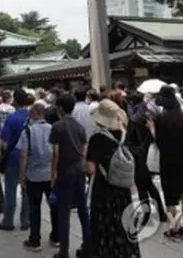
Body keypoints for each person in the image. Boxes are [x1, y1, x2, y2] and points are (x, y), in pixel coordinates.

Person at [86, 99, 139, 258]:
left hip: (104, 189)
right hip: (123, 189)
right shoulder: (124, 133)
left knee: (104, 225)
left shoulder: (97, 139)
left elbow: (91, 168)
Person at [49, 93, 91, 258]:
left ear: (60, 108)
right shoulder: (79, 127)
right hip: (79, 170)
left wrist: (53, 176)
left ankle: (64, 250)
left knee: (63, 212)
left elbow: (55, 154)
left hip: (64, 172)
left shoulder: (57, 127)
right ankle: (88, 245)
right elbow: (84, 150)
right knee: (82, 209)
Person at [150, 86, 183, 239]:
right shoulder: (181, 116)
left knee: (169, 195)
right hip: (181, 158)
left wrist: (152, 129)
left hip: (167, 159)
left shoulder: (161, 118)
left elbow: (159, 141)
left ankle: (173, 227)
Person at [18, 103, 58, 252]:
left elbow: (23, 155)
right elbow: (56, 152)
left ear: (35, 113)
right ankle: (56, 236)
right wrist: (55, 172)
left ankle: (35, 240)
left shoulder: (27, 131)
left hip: (33, 174)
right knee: (54, 205)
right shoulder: (52, 129)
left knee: (34, 208)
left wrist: (22, 176)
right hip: (49, 173)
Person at [0, 89, 30, 231]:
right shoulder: (31, 117)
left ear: (15, 100)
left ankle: (8, 221)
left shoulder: (12, 118)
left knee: (10, 190)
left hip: (13, 157)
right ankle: (25, 221)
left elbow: (4, 142)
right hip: (29, 157)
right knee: (27, 190)